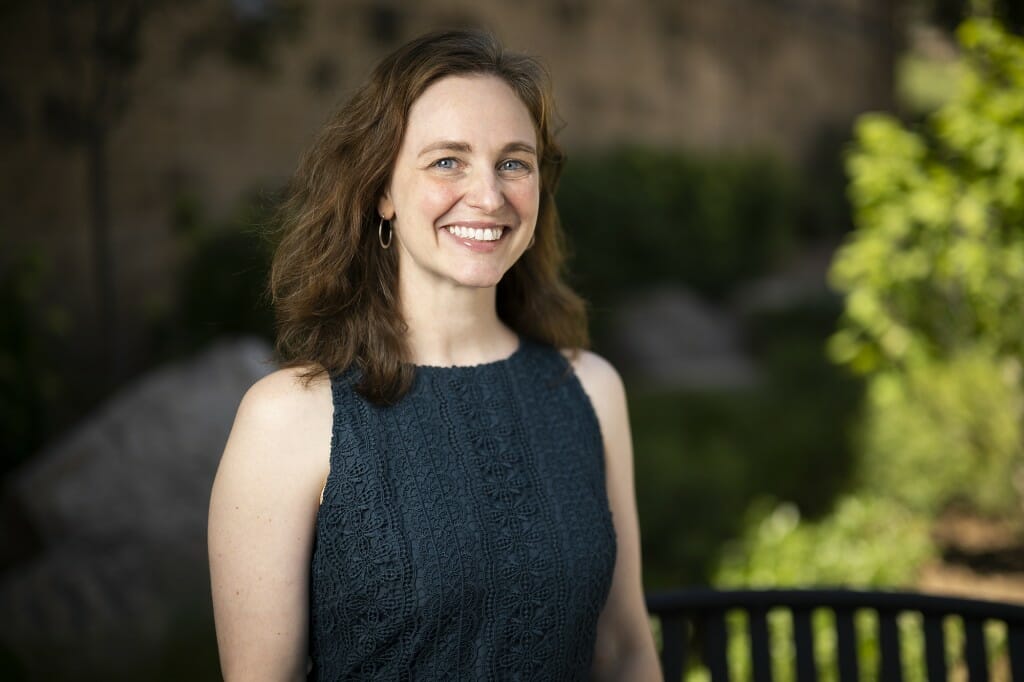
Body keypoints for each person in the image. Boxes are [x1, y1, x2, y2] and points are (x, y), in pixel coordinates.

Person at [208, 28, 661, 681]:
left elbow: (624, 652)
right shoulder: (288, 418)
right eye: (447, 161)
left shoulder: (590, 389)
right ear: (383, 191)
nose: (488, 195)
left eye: (514, 162)